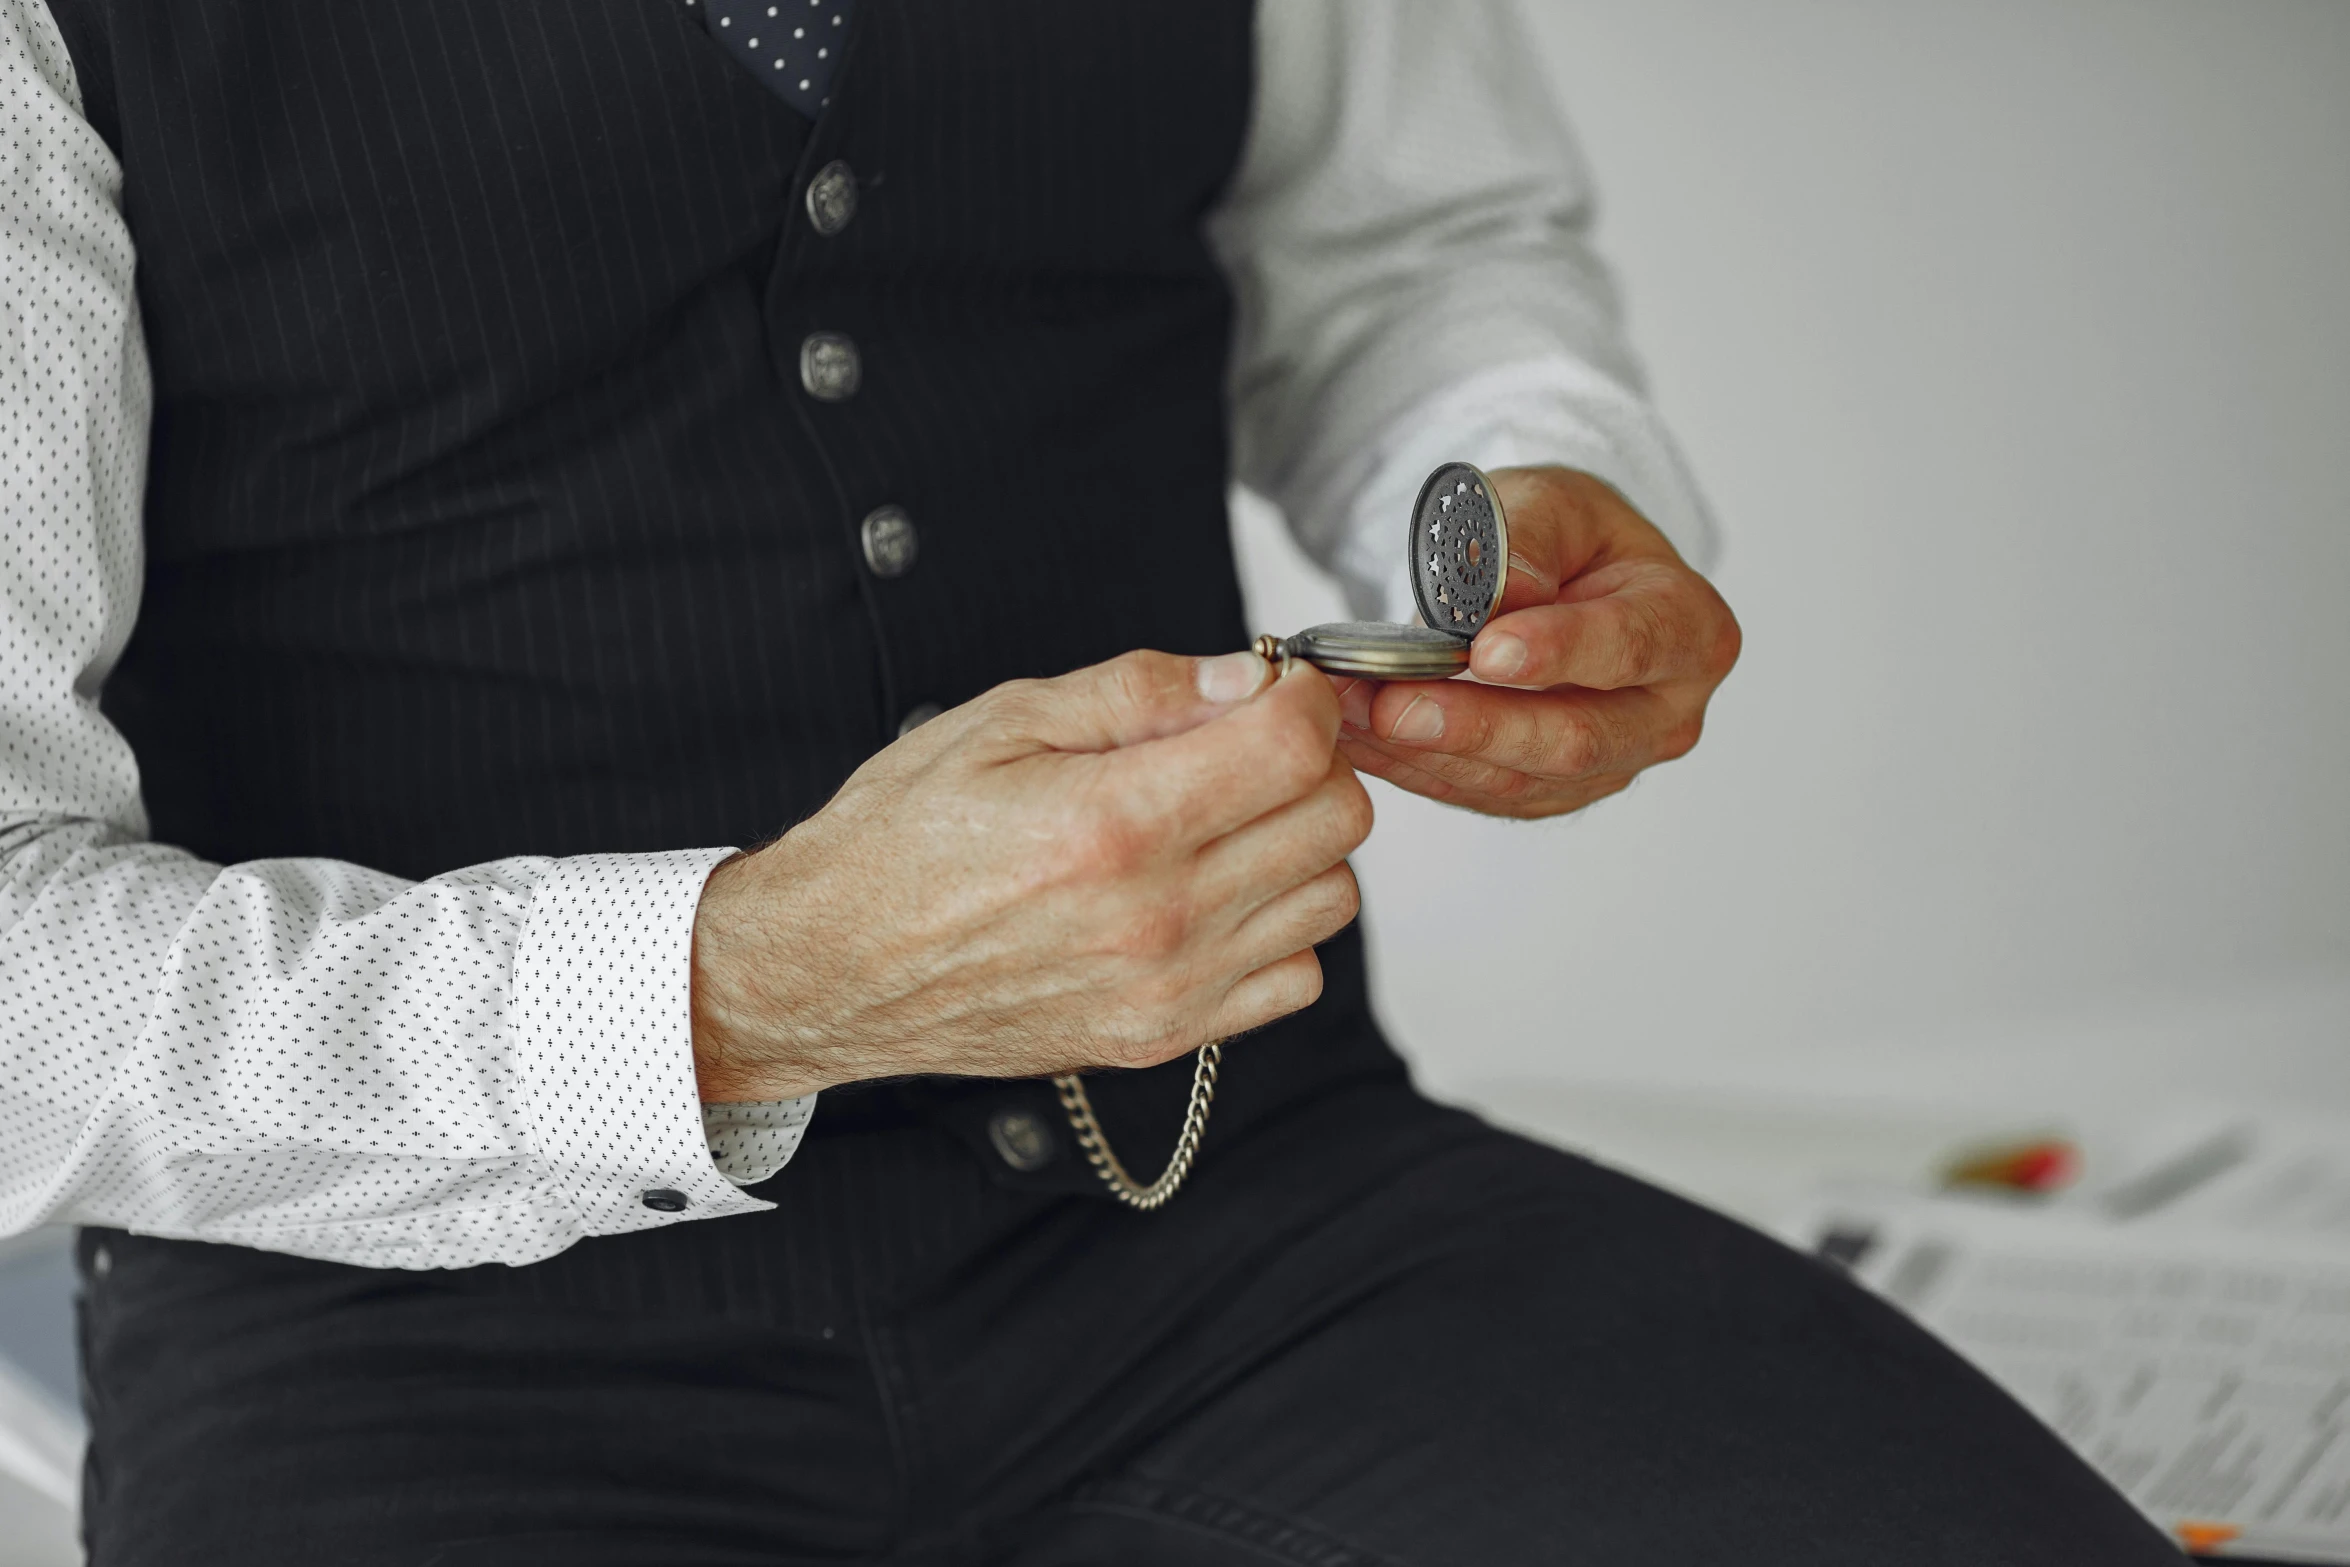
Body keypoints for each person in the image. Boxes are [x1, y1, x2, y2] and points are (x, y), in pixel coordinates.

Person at [0, 1, 2178, 1561]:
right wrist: (739, 985)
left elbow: (1406, 254)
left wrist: (1521, 494)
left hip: (1248, 1219)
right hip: (405, 1369)